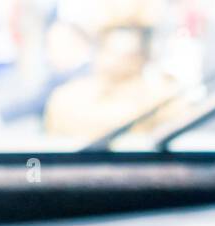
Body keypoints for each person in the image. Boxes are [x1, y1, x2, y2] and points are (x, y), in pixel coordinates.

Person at [43, 22, 177, 141]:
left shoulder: (161, 99)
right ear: (98, 54)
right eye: (110, 52)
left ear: (143, 59)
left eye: (128, 55)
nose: (115, 62)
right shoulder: (67, 98)